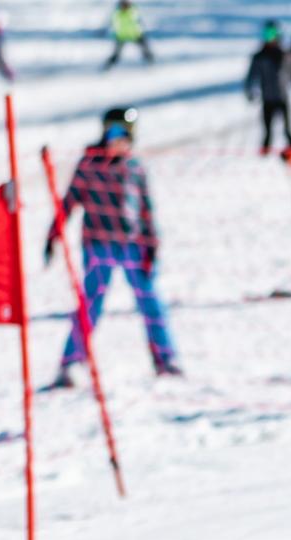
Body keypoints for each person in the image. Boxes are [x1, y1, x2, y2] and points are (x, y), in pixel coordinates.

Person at [43, 107, 181, 389]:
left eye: (124, 136)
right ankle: (71, 362)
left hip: (133, 244)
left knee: (151, 302)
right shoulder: (90, 164)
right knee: (91, 303)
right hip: (99, 244)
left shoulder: (134, 166)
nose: (117, 141)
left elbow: (146, 208)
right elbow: (69, 201)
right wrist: (54, 232)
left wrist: (152, 242)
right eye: (112, 134)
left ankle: (166, 358)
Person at [248, 23, 291, 155]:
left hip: (283, 98)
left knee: (288, 129)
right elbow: (252, 76)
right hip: (267, 99)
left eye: (271, 34)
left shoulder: (286, 55)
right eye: (266, 35)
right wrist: (250, 90)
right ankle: (265, 154)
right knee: (267, 131)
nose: (269, 38)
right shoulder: (259, 57)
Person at [104, 1, 153, 69]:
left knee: (146, 50)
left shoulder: (133, 11)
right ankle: (108, 67)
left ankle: (151, 63)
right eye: (123, 4)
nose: (125, 6)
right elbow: (111, 23)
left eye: (126, 4)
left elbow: (139, 21)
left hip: (135, 34)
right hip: (122, 36)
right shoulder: (117, 13)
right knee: (116, 54)